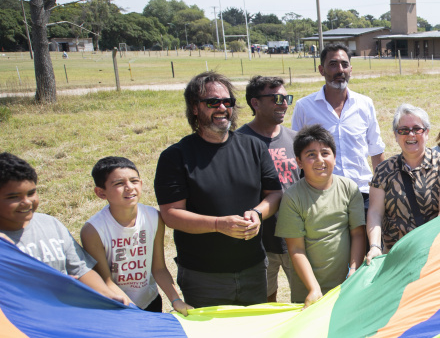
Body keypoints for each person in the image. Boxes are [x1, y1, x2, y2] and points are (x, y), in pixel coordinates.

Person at [154, 72, 283, 308]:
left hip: (253, 270)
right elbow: (171, 214)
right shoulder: (175, 157)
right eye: (212, 102)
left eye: (228, 101)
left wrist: (257, 213)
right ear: (194, 108)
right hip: (203, 276)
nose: (222, 107)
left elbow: (274, 194)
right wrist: (218, 225)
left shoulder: (253, 146)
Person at [0, 152, 129, 305]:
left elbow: (81, 270)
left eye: (31, 193)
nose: (26, 202)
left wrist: (106, 294)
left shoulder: (51, 224)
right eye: (13, 197)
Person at [81, 157, 193, 315]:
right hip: (116, 306)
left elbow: (159, 268)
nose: (129, 187)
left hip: (150, 301)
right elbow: (106, 281)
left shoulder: (154, 217)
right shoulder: (92, 230)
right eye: (119, 183)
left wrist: (176, 300)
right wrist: (134, 312)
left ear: (140, 184)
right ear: (101, 192)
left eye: (134, 181)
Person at [275, 125, 366, 308]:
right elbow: (296, 249)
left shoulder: (349, 188)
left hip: (346, 287)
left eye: (325, 153)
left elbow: (358, 234)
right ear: (299, 162)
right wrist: (313, 288)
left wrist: (353, 271)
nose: (320, 160)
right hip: (309, 291)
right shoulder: (292, 197)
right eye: (311, 155)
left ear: (334, 156)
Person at [292, 43, 385, 213]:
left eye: (344, 64)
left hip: (361, 191)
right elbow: (296, 154)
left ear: (351, 69)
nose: (340, 70)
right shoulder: (304, 107)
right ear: (321, 70)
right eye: (333, 64)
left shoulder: (365, 104)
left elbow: (376, 150)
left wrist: (383, 189)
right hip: (320, 194)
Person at [365, 104, 440, 262]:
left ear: (427, 132)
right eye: (403, 130)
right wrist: (375, 246)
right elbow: (375, 212)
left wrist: (425, 246)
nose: (410, 134)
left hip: (432, 254)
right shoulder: (384, 170)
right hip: (395, 257)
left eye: (417, 129)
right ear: (396, 135)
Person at [236, 75, 299, 303]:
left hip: (295, 237)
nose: (283, 103)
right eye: (276, 98)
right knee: (263, 302)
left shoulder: (295, 139)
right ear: (255, 103)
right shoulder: (238, 141)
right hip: (259, 240)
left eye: (286, 98)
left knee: (304, 302)